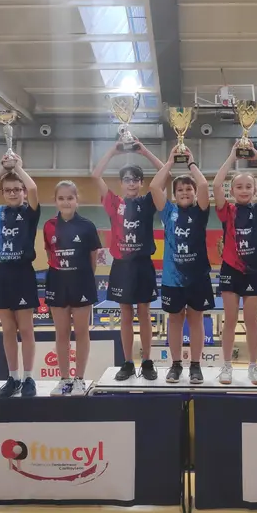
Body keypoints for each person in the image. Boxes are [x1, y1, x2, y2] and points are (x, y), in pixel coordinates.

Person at [91, 140, 164, 381]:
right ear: (121, 184)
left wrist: (145, 151)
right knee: (125, 314)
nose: (131, 183)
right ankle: (127, 362)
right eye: (127, 179)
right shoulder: (114, 203)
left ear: (141, 183)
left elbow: (165, 172)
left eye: (136, 179)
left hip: (142, 264)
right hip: (121, 266)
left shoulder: (147, 202)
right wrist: (113, 150)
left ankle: (147, 361)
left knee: (144, 312)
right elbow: (95, 174)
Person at [0, 156, 40, 398]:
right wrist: (1, 168)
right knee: (7, 329)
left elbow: (33, 188)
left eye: (17, 189)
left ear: (22, 191)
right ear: (2, 193)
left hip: (22, 273)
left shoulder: (30, 213)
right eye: (8, 190)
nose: (13, 193)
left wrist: (18, 168)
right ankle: (12, 377)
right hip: (0, 273)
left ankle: (29, 377)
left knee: (26, 328)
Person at [214, 141, 257, 385]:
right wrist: (232, 156)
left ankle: (254, 366)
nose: (243, 190)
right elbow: (217, 183)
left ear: (254, 190)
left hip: (253, 272)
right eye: (239, 186)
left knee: (251, 321)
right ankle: (226, 366)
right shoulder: (226, 211)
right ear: (233, 191)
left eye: (248, 186)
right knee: (230, 320)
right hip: (231, 270)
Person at [149, 146, 213, 384]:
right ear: (174, 194)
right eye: (180, 189)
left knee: (196, 320)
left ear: (195, 193)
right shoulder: (168, 212)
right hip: (172, 278)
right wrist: (169, 162)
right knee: (174, 321)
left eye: (189, 189)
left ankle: (195, 365)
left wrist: (191, 164)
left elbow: (205, 186)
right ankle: (175, 365)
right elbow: (155, 187)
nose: (185, 192)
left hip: (197, 277)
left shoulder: (201, 211)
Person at [43, 181, 101, 396]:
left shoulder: (87, 226)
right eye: (61, 198)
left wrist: (82, 277)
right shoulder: (48, 226)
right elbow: (50, 255)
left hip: (82, 282)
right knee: (62, 333)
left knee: (81, 332)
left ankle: (79, 379)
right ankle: (64, 378)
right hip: (57, 283)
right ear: (55, 201)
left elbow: (93, 259)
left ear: (77, 200)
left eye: (70, 198)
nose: (66, 202)